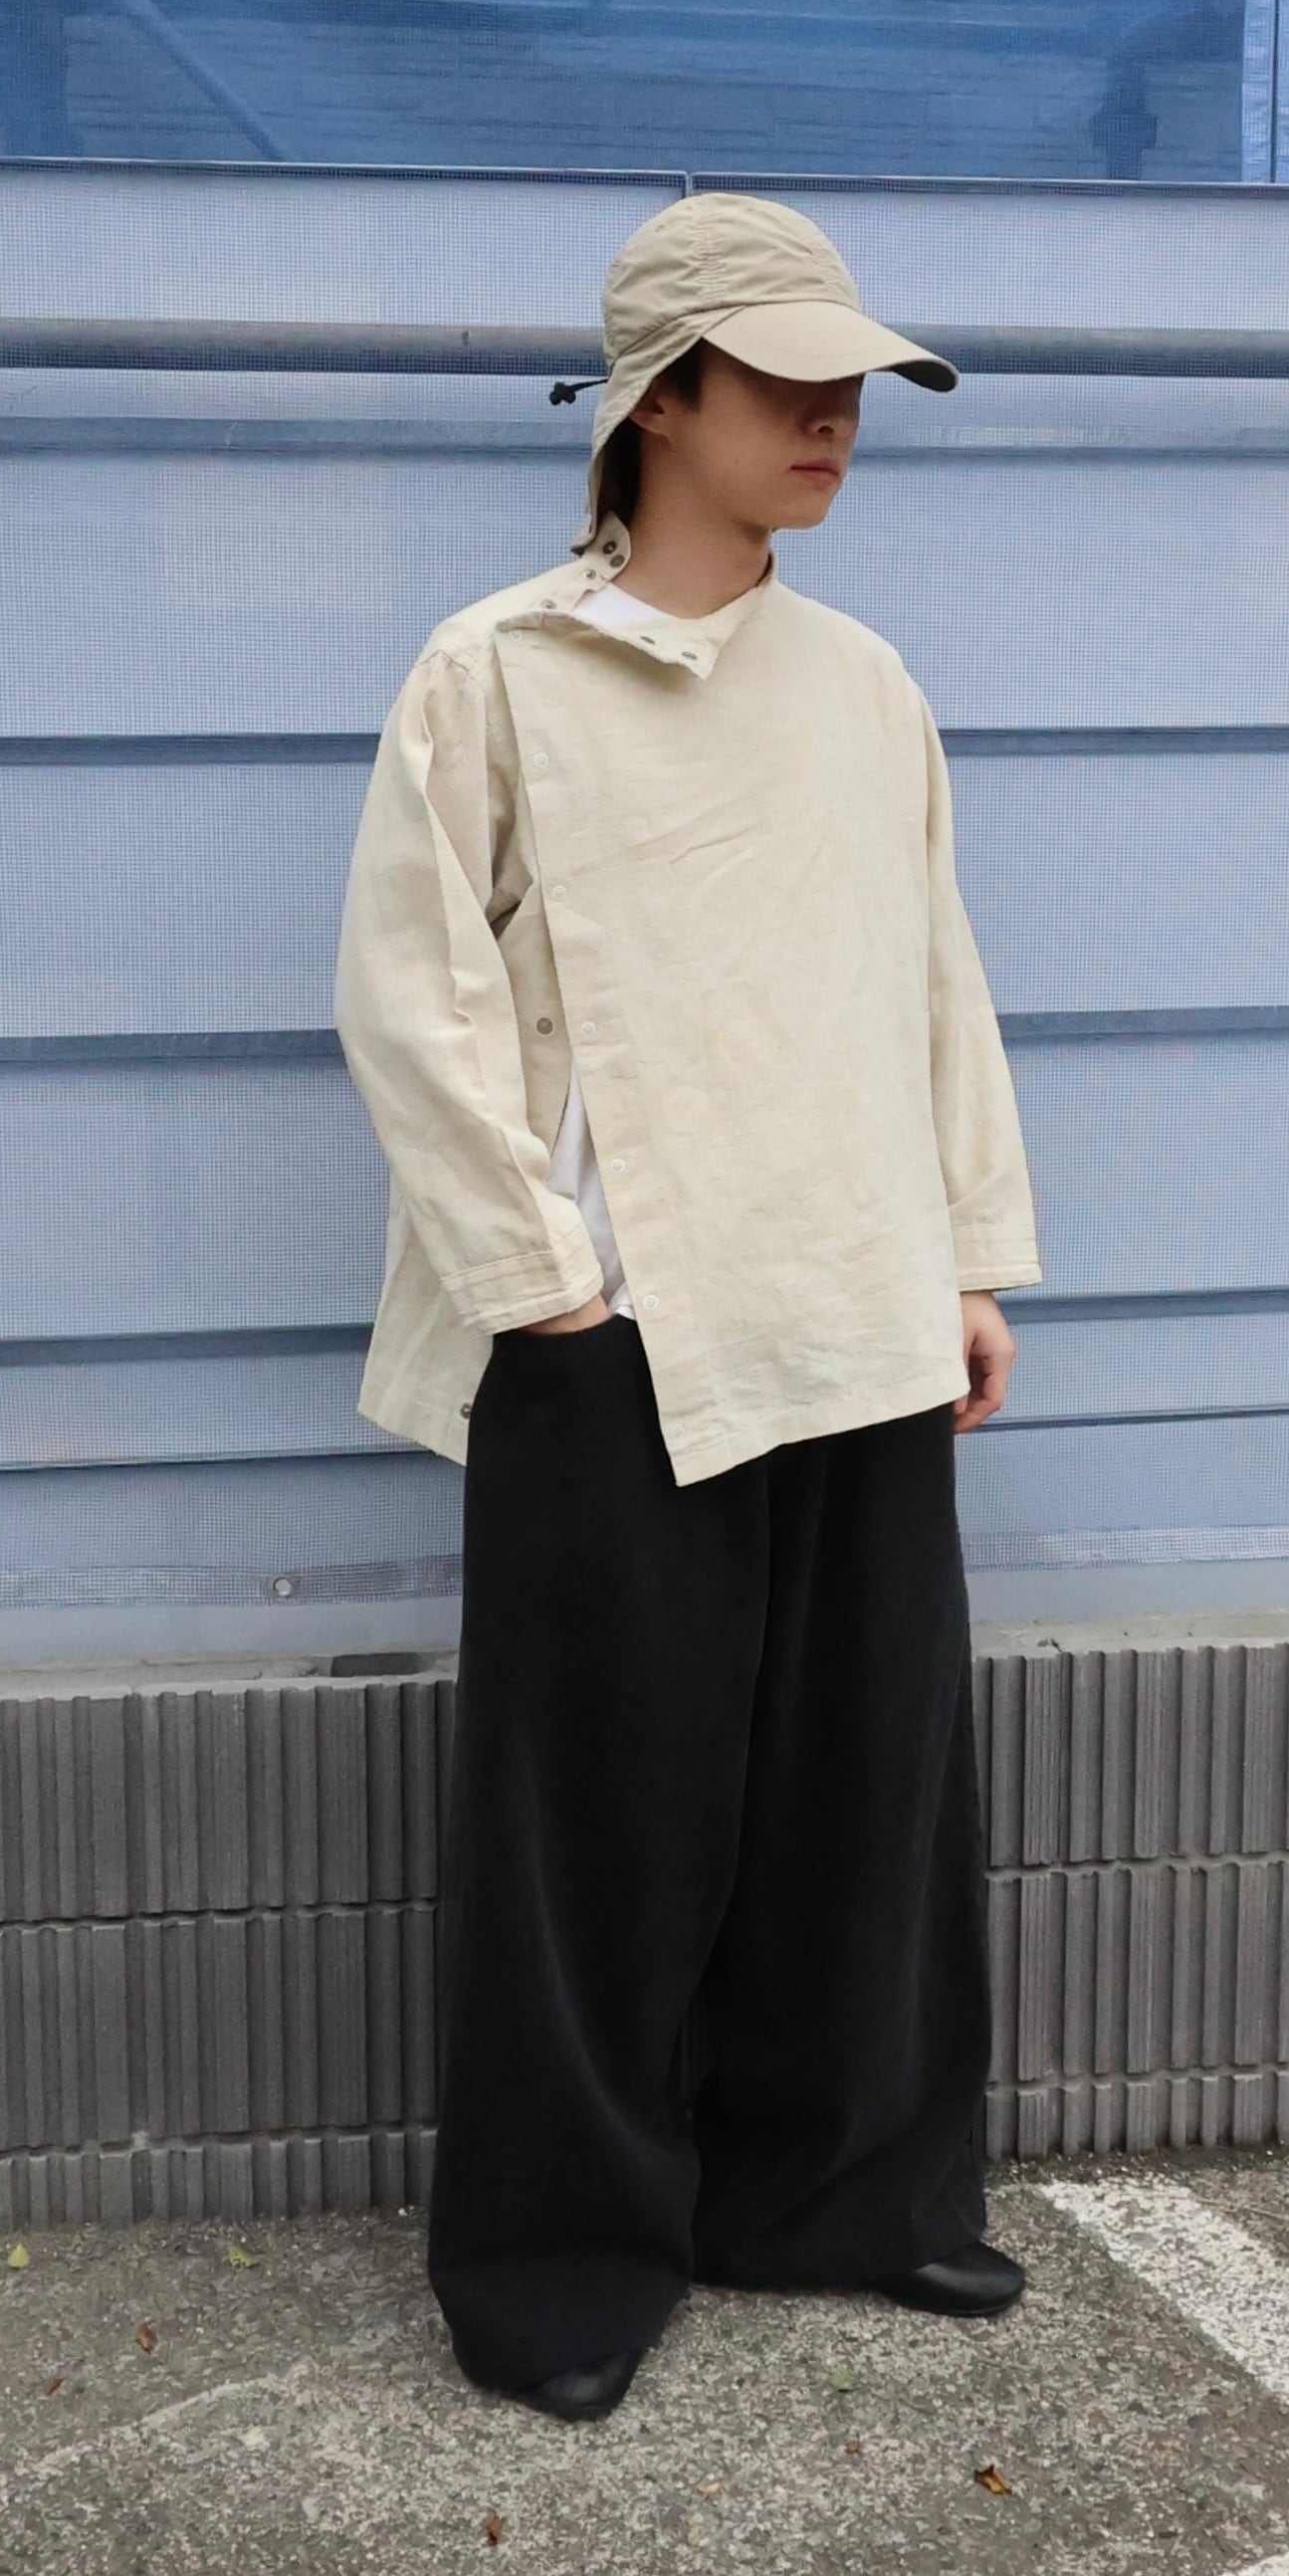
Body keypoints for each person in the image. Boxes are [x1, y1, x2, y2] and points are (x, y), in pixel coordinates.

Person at [331, 191, 1043, 2423]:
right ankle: (561, 2262)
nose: (836, 419)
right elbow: (410, 995)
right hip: (612, 1333)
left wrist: (964, 1259)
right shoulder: (498, 672)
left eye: (854, 384)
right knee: (596, 1837)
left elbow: (930, 980)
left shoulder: (866, 683)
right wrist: (533, 1278)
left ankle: (842, 2194)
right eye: (786, 381)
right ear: (659, 401)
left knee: (865, 1793)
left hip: (853, 1305)